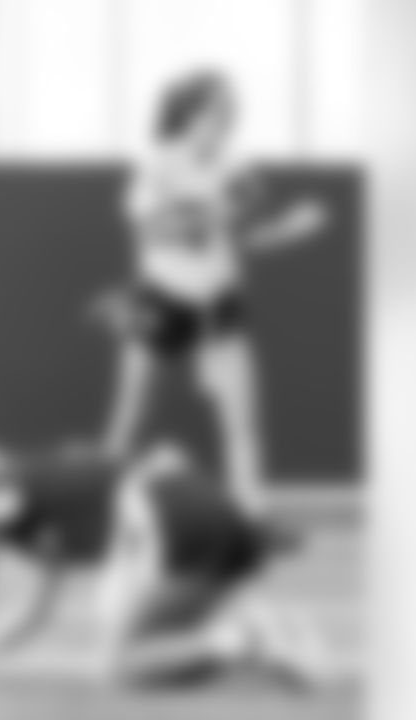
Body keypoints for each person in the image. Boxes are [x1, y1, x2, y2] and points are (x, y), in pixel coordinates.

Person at [94, 69, 328, 517]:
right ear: (190, 113)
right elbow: (156, 229)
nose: (227, 119)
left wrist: (292, 228)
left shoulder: (237, 170)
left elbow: (247, 239)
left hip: (219, 303)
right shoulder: (158, 164)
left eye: (231, 110)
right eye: (217, 109)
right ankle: (93, 506)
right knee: (129, 415)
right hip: (160, 300)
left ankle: (250, 519)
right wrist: (211, 213)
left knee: (242, 421)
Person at [0, 441, 320, 690]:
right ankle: (250, 643)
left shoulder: (3, 501)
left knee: (121, 663)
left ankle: (249, 638)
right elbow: (33, 614)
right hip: (211, 515)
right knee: (159, 660)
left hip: (162, 515)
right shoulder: (45, 512)